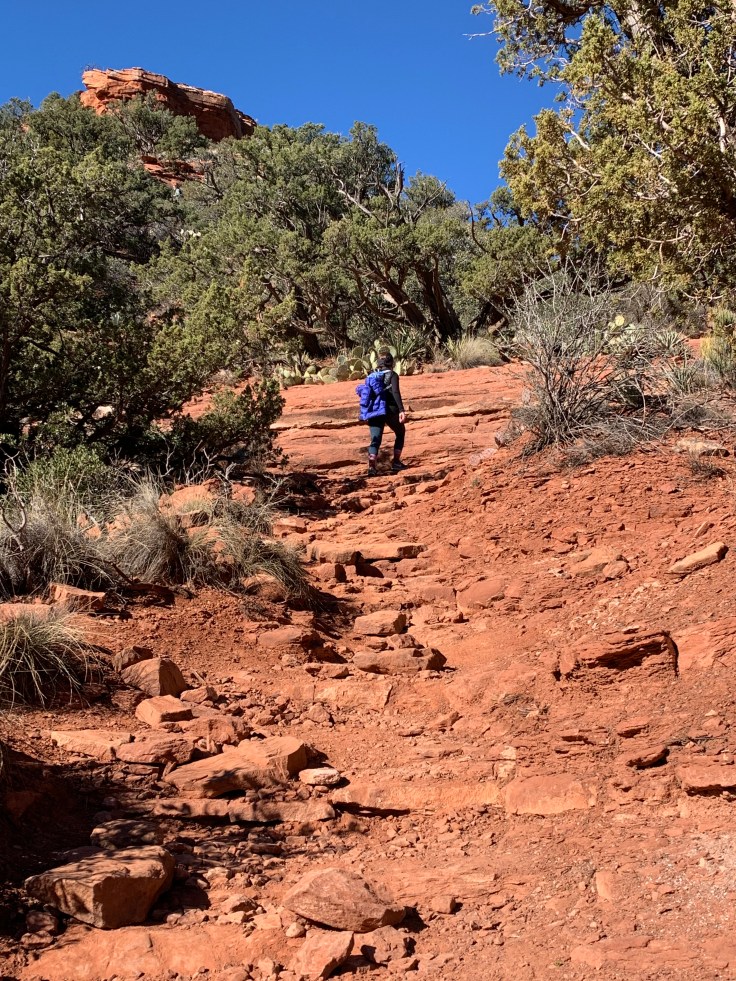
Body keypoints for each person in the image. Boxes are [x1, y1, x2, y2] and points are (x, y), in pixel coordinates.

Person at [366, 350, 407, 477]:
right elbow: (395, 392)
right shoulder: (393, 375)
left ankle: (371, 468)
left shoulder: (371, 375)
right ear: (391, 362)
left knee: (375, 439)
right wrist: (401, 410)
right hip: (390, 410)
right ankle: (396, 462)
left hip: (375, 410)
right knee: (400, 432)